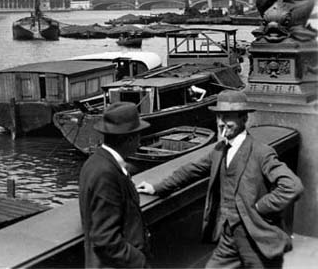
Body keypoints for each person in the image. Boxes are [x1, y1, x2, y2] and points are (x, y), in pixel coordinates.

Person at [136, 90, 303, 268]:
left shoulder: (261, 152)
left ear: (244, 118)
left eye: (228, 117)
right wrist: (158, 188)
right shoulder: (219, 150)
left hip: (255, 238)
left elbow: (292, 186)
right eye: (219, 117)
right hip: (228, 236)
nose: (222, 123)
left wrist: (260, 207)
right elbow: (192, 170)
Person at [80, 101, 152, 268]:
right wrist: (140, 262)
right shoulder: (105, 173)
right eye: (138, 135)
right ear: (129, 138)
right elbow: (105, 239)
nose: (140, 142)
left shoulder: (96, 163)